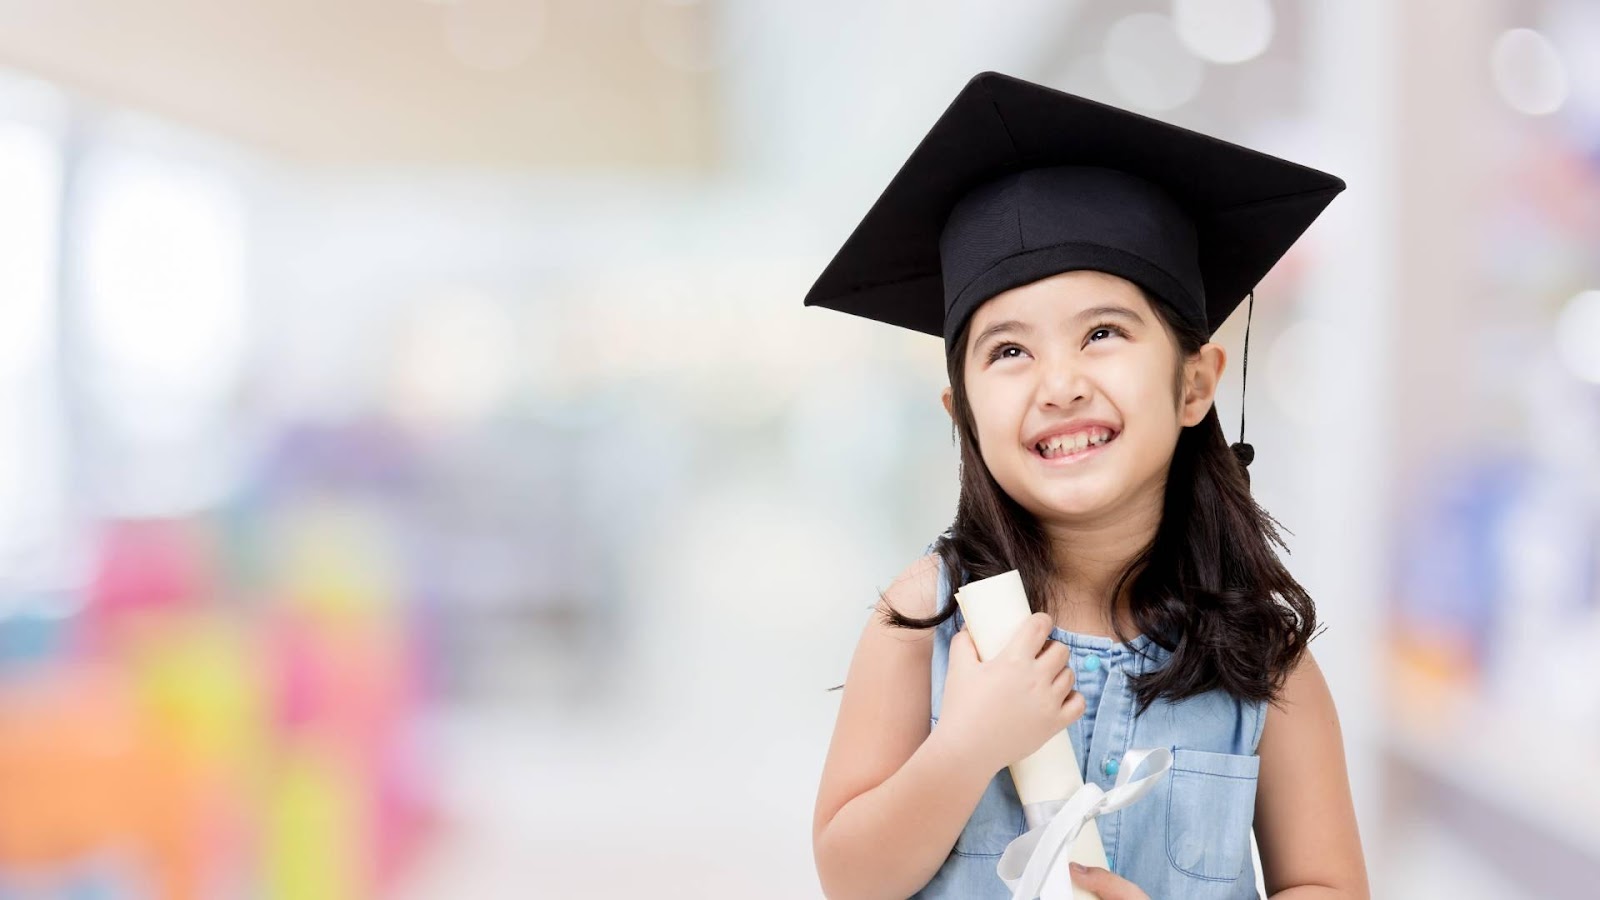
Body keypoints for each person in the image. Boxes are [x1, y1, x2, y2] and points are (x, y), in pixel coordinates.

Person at [807, 72, 1370, 900]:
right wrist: (968, 742)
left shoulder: (1260, 656)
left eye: (1102, 332)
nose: (1059, 383)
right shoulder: (926, 618)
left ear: (1194, 384)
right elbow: (851, 880)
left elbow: (1327, 885)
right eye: (1009, 351)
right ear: (960, 411)